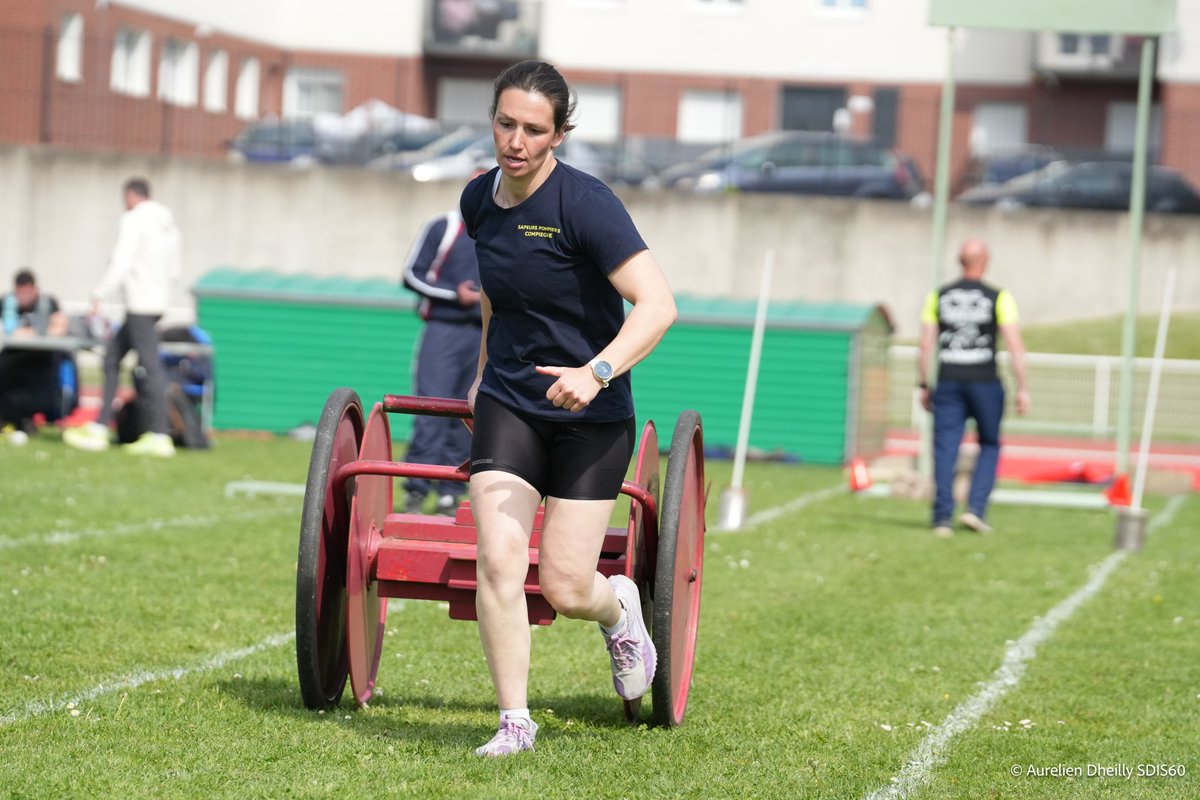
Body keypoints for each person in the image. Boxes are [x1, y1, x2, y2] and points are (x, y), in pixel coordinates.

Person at [460, 60, 677, 757]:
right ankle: (514, 721)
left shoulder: (585, 205)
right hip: (511, 404)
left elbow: (659, 305)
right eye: (505, 124)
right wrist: (484, 369)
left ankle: (618, 611)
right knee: (497, 557)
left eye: (533, 130)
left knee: (561, 585)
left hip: (592, 417)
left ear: (558, 136)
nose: (515, 141)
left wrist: (597, 370)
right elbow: (497, 292)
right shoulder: (477, 201)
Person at [917, 238, 1030, 538]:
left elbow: (925, 344)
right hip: (985, 383)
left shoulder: (938, 296)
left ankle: (942, 518)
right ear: (985, 261)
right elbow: (1015, 345)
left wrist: (924, 383)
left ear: (960, 260)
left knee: (945, 449)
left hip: (949, 381)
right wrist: (1023, 387)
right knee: (990, 444)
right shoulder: (999, 297)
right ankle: (975, 509)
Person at [64, 177, 181, 457]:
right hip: (156, 302)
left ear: (130, 196)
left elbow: (122, 260)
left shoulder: (133, 220)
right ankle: (102, 425)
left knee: (149, 367)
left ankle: (159, 435)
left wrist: (99, 294)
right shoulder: (168, 224)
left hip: (139, 304)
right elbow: (175, 269)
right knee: (112, 358)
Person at [401, 203, 483, 515]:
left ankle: (451, 491)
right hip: (444, 329)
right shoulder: (445, 226)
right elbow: (412, 274)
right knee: (430, 408)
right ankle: (416, 490)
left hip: (484, 333)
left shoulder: (506, 227)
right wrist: (454, 294)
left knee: (471, 412)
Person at [0, 269, 69, 442]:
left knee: (35, 398)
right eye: (19, 293)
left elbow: (60, 327)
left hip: (40, 363)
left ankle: (23, 421)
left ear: (35, 289)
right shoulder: (7, 303)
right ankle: (14, 423)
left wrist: (28, 333)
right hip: (11, 362)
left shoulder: (47, 302)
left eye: (27, 292)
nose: (23, 297)